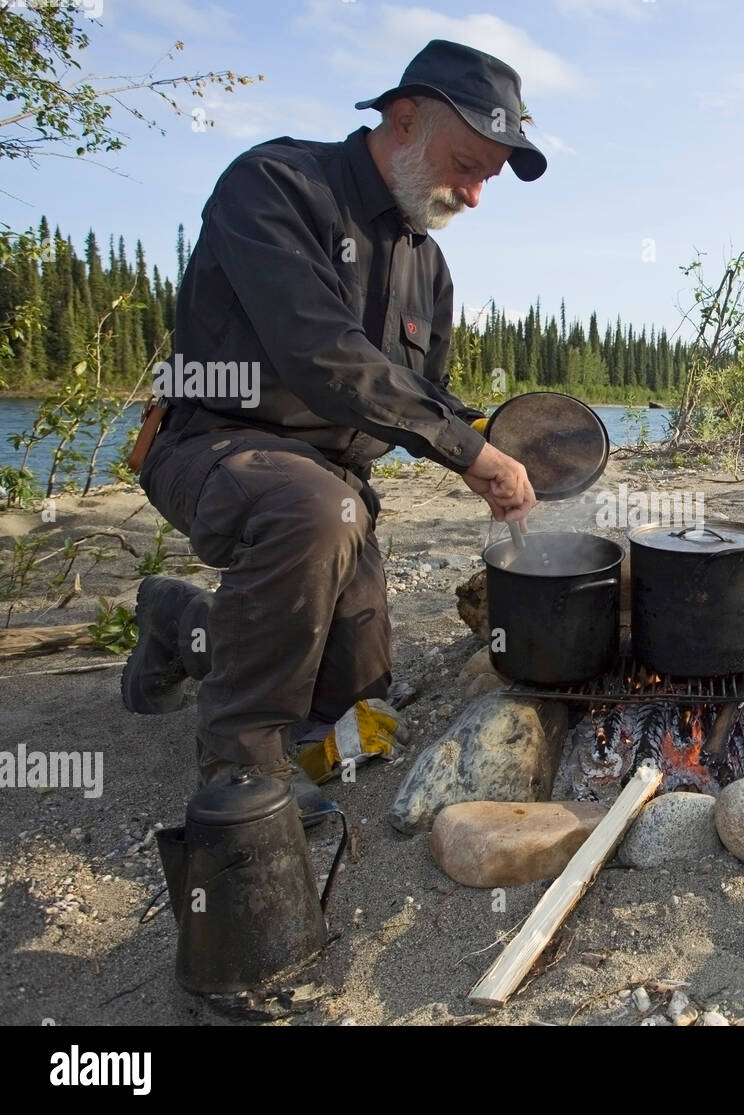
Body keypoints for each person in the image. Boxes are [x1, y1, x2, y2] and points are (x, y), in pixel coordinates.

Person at [121, 40, 540, 814]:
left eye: (487, 178)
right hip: (216, 444)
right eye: (469, 164)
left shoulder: (429, 266)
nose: (477, 195)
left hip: (336, 489)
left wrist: (495, 439)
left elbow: (426, 394)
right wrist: (467, 454)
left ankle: (184, 621)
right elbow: (321, 354)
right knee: (312, 511)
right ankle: (243, 781)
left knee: (363, 728)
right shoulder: (276, 185)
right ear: (404, 119)